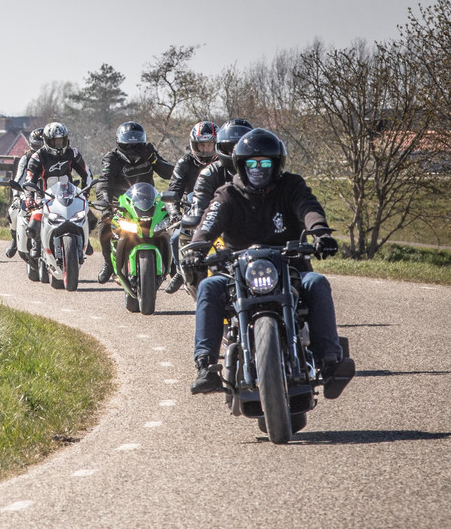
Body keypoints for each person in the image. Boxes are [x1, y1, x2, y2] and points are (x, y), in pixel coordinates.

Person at [181, 128, 355, 399]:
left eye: (265, 163)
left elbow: (308, 207)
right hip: (237, 273)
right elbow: (210, 220)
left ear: (276, 165)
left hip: (291, 268)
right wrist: (197, 247)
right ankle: (205, 366)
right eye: (252, 163)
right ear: (241, 165)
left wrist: (320, 232)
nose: (258, 169)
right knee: (209, 287)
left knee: (317, 282)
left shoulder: (291, 186)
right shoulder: (228, 193)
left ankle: (331, 362)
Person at [95, 121, 175, 283]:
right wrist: (105, 204)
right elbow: (104, 182)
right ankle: (109, 264)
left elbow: (169, 173)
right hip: (122, 205)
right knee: (104, 227)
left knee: (172, 224)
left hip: (149, 202)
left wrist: (156, 161)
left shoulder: (148, 152)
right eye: (129, 143)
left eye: (137, 142)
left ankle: (174, 265)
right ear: (120, 142)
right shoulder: (111, 159)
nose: (133, 146)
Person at [9, 122, 93, 258]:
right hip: (44, 196)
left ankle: (85, 241)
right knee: (34, 222)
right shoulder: (37, 157)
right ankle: (37, 243)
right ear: (47, 141)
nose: (59, 145)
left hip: (68, 195)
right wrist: (29, 197)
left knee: (89, 216)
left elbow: (86, 173)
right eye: (55, 141)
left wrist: (86, 193)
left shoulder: (73, 152)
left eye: (61, 140)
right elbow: (29, 180)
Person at [163, 121, 218, 293]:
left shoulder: (225, 162)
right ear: (194, 145)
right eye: (202, 145)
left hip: (221, 210)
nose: (206, 150)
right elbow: (173, 191)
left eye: (210, 145)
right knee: (175, 237)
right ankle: (180, 271)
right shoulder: (184, 163)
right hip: (192, 210)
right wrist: (174, 213)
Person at [4, 129, 45, 257]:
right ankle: (15, 240)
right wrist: (16, 196)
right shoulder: (26, 158)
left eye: (41, 146)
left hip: (47, 193)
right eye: (36, 146)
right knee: (13, 212)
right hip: (27, 191)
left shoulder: (50, 158)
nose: (38, 149)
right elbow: (19, 177)